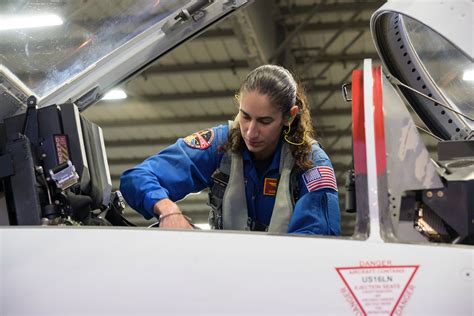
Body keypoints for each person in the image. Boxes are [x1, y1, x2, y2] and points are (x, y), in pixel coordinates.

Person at [120, 64, 340, 235]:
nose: (251, 132)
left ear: (289, 116)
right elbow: (137, 177)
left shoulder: (311, 162)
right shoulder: (221, 144)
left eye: (264, 121)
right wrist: (168, 211)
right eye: (245, 116)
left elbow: (317, 240)